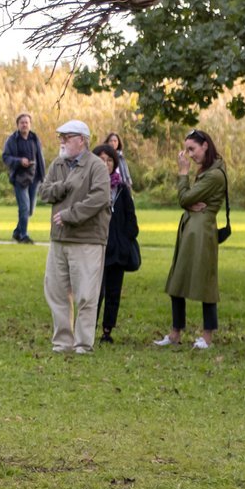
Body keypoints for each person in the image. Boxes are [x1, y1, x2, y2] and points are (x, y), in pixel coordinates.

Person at [37, 119, 112, 353]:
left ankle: (83, 344)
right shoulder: (57, 164)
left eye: (66, 137)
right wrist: (63, 187)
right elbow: (44, 191)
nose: (61, 142)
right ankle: (62, 342)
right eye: (60, 137)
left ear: (82, 140)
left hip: (87, 239)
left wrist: (71, 214)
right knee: (57, 292)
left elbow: (99, 198)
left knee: (86, 295)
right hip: (59, 239)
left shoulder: (96, 166)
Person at [156, 129, 226, 348]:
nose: (189, 154)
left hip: (202, 233)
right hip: (191, 230)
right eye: (187, 150)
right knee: (178, 280)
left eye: (192, 149)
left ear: (205, 145)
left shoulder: (214, 175)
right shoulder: (207, 170)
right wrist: (187, 201)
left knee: (206, 282)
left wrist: (183, 174)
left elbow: (184, 197)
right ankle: (175, 333)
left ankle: (207, 336)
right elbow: (186, 200)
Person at [96, 139, 140, 343]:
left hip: (117, 251)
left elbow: (132, 222)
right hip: (95, 248)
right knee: (95, 292)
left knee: (113, 292)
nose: (105, 164)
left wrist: (123, 240)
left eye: (109, 161)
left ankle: (107, 330)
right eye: (101, 160)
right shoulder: (89, 187)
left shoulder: (122, 189)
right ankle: (88, 327)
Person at [2, 112, 46, 244]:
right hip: (20, 178)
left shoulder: (34, 138)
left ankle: (17, 232)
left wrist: (42, 175)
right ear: (18, 125)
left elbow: (40, 157)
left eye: (27, 122)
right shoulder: (12, 139)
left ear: (30, 124)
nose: (24, 125)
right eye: (22, 122)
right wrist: (19, 161)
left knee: (30, 210)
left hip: (34, 177)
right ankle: (23, 235)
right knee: (24, 207)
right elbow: (5, 157)